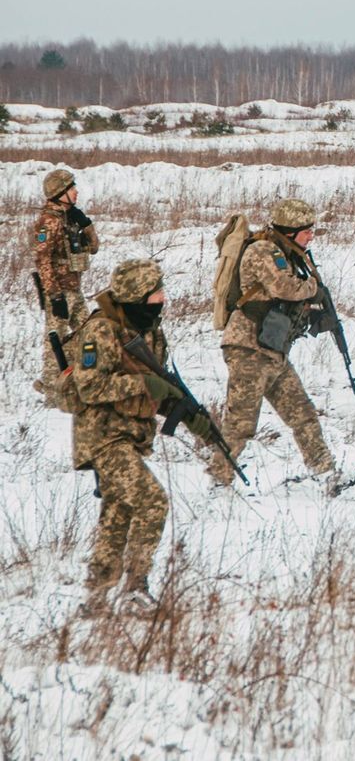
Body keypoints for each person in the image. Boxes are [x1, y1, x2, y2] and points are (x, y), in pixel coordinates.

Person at [70, 258, 209, 614]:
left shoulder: (151, 332)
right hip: (103, 436)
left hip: (133, 435)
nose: (163, 299)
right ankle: (134, 589)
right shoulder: (101, 331)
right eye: (156, 293)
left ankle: (96, 596)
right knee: (152, 501)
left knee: (118, 513)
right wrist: (143, 384)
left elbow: (157, 389)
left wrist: (188, 416)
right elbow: (89, 387)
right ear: (137, 295)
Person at [214, 198, 340, 489]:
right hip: (248, 350)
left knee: (303, 414)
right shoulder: (263, 250)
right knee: (240, 424)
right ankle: (218, 481)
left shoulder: (287, 254)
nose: (311, 236)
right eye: (307, 231)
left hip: (272, 351)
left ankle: (325, 473)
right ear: (290, 230)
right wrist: (313, 289)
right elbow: (284, 287)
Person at [34, 168, 99, 406]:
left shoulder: (70, 218)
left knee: (90, 335)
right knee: (55, 342)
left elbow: (94, 247)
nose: (76, 192)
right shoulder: (48, 222)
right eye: (71, 188)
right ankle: (52, 396)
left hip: (75, 291)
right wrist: (54, 295)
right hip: (60, 293)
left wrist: (86, 224)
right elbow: (42, 260)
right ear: (59, 193)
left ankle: (80, 382)